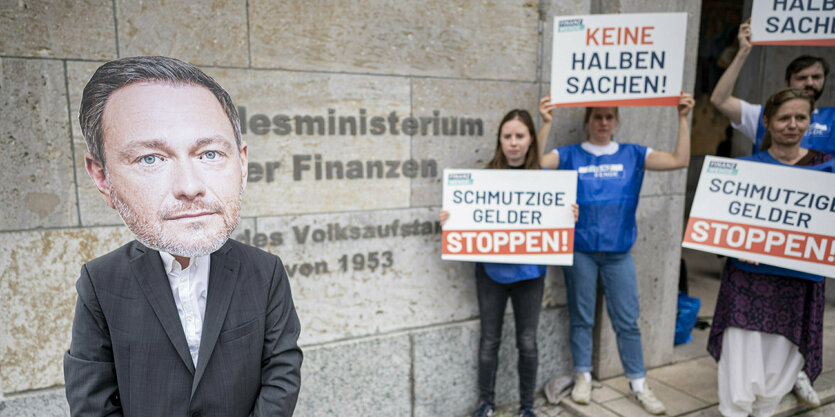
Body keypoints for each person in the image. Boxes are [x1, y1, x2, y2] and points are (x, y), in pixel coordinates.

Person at [63, 56, 302, 417]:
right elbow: (92, 399)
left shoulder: (264, 271)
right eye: (150, 159)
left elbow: (281, 373)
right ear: (101, 176)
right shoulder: (101, 281)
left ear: (242, 163)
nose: (190, 187)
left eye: (209, 153)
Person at [538, 92, 695, 415]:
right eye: (598, 117)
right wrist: (546, 123)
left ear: (617, 120)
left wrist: (682, 118)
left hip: (618, 253)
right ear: (587, 121)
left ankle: (639, 384)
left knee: (627, 321)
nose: (604, 123)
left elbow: (680, 160)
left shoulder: (634, 154)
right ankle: (583, 375)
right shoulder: (568, 155)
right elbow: (536, 165)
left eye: (610, 117)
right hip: (581, 251)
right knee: (582, 318)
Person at [707, 88, 832, 417]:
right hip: (748, 281)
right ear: (767, 122)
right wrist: (737, 244)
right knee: (741, 356)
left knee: (782, 359)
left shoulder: (828, 170)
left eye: (800, 117)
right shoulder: (742, 168)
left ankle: (764, 411)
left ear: (809, 120)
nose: (792, 124)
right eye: (783, 117)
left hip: (797, 282)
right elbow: (715, 224)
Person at [441, 103, 571, 417]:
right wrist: (452, 219)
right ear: (500, 140)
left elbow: (553, 219)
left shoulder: (545, 180)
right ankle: (486, 403)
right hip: (491, 274)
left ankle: (527, 407)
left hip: (530, 274)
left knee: (527, 342)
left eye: (520, 136)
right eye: (507, 136)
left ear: (530, 140)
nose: (513, 142)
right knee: (489, 341)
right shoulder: (486, 179)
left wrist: (567, 215)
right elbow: (470, 220)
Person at [710, 19, 834, 156]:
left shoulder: (832, 117)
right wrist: (743, 52)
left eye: (816, 77)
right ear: (787, 83)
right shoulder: (761, 116)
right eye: (801, 78)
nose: (810, 83)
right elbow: (720, 100)